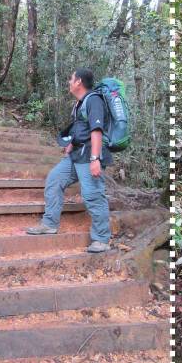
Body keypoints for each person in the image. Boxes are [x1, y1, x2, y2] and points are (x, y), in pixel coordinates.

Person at [26, 68, 112, 253]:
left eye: (71, 79)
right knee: (54, 179)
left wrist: (95, 159)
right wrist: (70, 146)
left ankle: (101, 239)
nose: (69, 82)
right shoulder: (79, 104)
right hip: (75, 155)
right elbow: (79, 129)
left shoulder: (94, 100)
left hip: (89, 155)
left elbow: (96, 131)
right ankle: (49, 224)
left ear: (79, 81)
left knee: (92, 195)